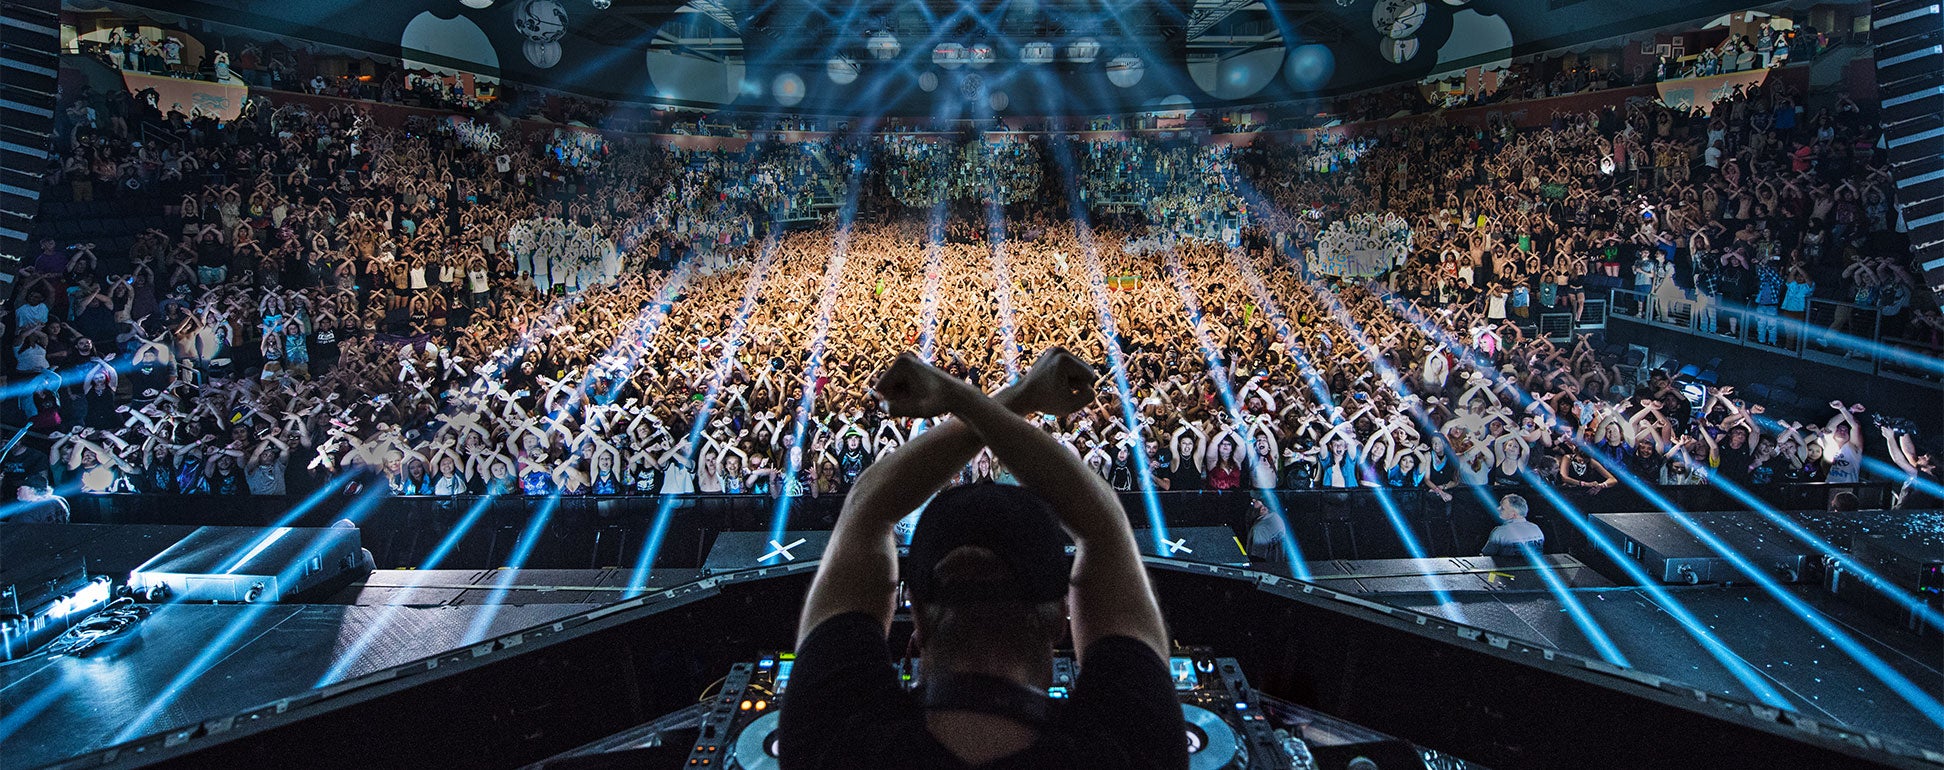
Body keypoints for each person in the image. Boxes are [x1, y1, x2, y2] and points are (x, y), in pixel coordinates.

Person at [780, 350, 1183, 770]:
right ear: (1061, 618)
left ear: (915, 615)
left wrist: (999, 398)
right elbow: (1105, 527)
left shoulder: (834, 739)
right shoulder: (1134, 746)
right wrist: (976, 401)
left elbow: (865, 510)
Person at [1479, 493, 1543, 557]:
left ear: (1513, 514)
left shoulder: (1500, 532)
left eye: (1502, 508)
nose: (1498, 509)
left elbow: (1486, 556)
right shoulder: (1536, 528)